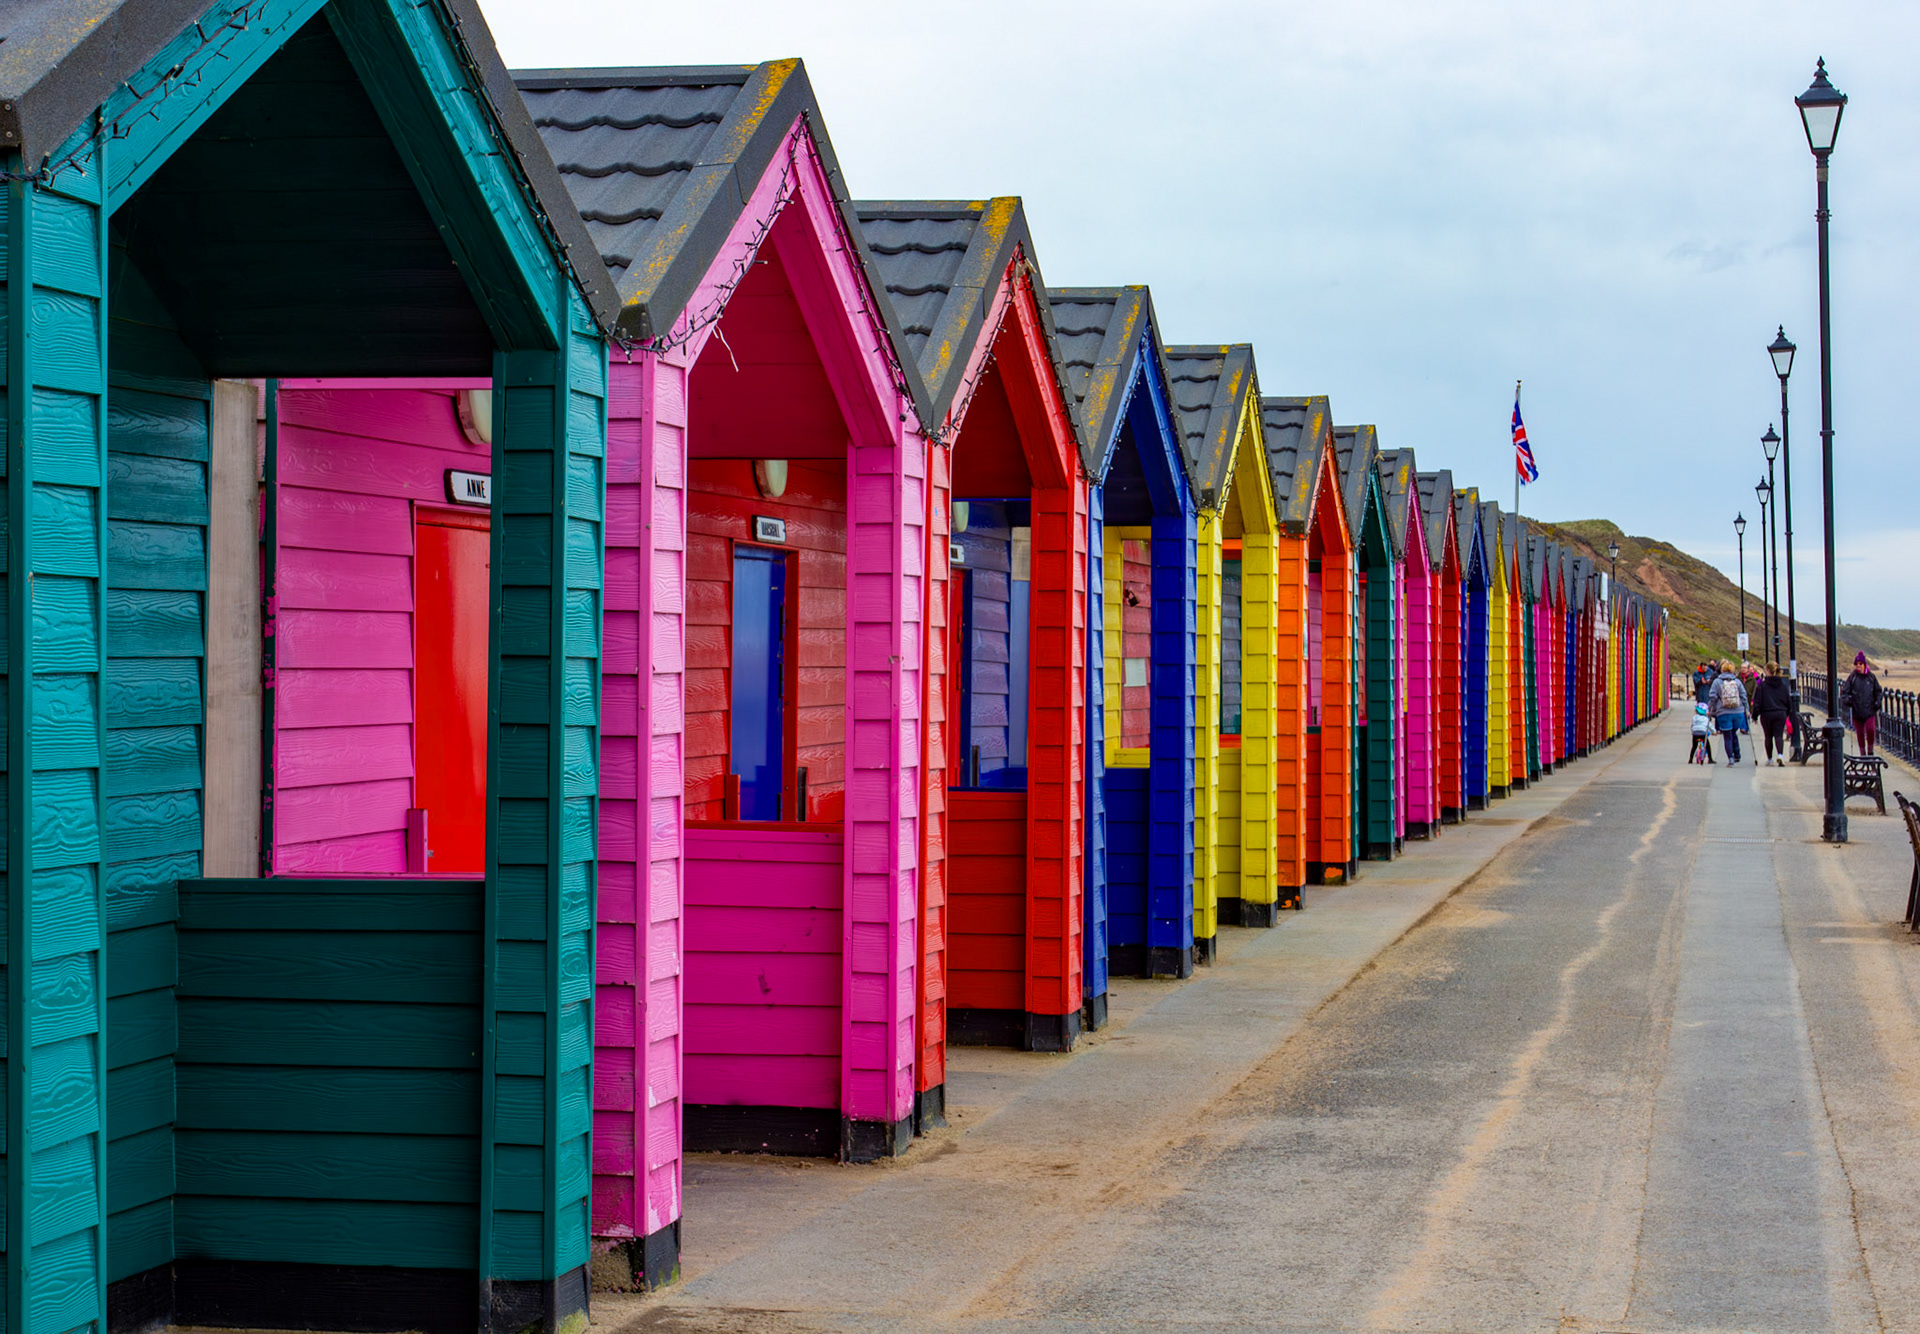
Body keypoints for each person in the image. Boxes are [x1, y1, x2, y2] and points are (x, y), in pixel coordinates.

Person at [1707, 658, 1750, 764]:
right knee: (1733, 732)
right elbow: (1743, 696)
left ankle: (1730, 757)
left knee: (1727, 735)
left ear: (1722, 670)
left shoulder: (1717, 682)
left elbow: (1712, 696)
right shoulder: (1737, 681)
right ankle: (1738, 754)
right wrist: (1747, 709)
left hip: (1723, 712)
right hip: (1738, 712)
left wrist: (1710, 709)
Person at [1751, 661, 1794, 766]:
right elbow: (1788, 701)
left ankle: (1770, 758)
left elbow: (1757, 702)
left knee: (1768, 736)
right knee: (1779, 735)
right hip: (1780, 713)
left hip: (1767, 714)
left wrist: (1755, 716)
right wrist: (1787, 712)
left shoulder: (1762, 686)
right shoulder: (1783, 685)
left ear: (1768, 671)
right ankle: (1780, 755)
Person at [1840, 651, 1882, 755]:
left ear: (1864, 665)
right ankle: (1863, 754)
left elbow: (1878, 691)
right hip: (1857, 710)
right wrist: (1848, 701)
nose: (1858, 666)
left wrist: (1877, 702)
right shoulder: (1852, 677)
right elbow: (1844, 692)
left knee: (1871, 730)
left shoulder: (1871, 677)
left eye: (1860, 664)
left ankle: (1870, 752)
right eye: (1856, 664)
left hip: (1869, 709)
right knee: (1860, 734)